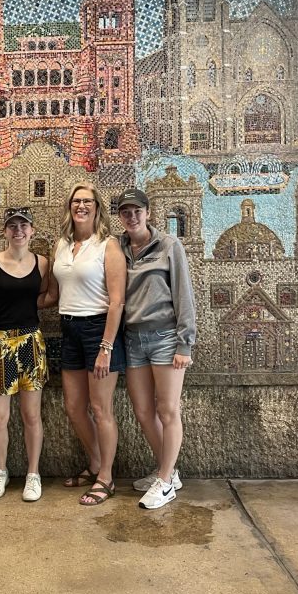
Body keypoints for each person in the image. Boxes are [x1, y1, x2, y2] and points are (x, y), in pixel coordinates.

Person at [117, 187, 196, 510]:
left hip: (165, 338)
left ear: (148, 213)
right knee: (142, 411)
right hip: (133, 339)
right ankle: (169, 470)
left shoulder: (169, 246)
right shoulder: (118, 247)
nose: (132, 216)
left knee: (168, 409)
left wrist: (184, 343)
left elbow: (184, 294)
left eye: (137, 211)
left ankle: (164, 481)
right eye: (126, 212)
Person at [49, 183, 126, 506]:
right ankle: (95, 463)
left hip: (98, 329)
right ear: (69, 207)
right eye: (76, 201)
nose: (81, 206)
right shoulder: (62, 245)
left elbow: (117, 301)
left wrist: (106, 346)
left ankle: (106, 477)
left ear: (97, 208)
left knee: (100, 408)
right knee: (73, 407)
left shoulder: (107, 246)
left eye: (87, 202)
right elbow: (54, 293)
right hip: (69, 328)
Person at [0, 207, 52, 502]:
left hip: (31, 342)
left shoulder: (42, 264)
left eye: (24, 225)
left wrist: (28, 310)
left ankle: (33, 474)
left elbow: (46, 296)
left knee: (31, 414)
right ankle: (1, 470)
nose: (18, 230)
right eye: (12, 226)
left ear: (32, 230)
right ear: (5, 231)